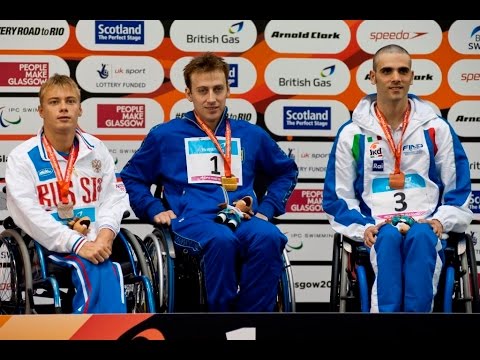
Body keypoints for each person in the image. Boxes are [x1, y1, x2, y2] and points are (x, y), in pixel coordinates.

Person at [120, 52, 298, 312]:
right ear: (188, 94)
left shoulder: (251, 134)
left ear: (228, 90)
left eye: (218, 89)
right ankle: (221, 324)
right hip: (191, 221)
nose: (211, 99)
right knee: (221, 241)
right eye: (202, 90)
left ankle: (251, 324)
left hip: (243, 219)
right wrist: (153, 208)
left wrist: (268, 209)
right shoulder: (165, 135)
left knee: (269, 236)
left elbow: (286, 171)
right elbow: (132, 177)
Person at [323, 44, 472, 312]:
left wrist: (441, 220)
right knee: (388, 238)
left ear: (412, 76)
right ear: (372, 77)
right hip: (377, 226)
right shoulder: (352, 133)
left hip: (426, 224)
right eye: (387, 71)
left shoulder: (436, 128)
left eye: (403, 71)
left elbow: (458, 190)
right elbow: (338, 197)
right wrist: (362, 228)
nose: (396, 78)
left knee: (422, 237)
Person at [5, 74, 129, 314]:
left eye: (70, 101)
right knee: (96, 267)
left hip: (96, 241)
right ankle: (96, 334)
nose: (63, 107)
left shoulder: (96, 148)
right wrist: (77, 242)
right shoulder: (22, 157)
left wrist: (105, 235)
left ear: (80, 109)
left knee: (107, 263)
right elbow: (28, 214)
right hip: (45, 247)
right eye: (54, 102)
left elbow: (113, 198)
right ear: (41, 111)